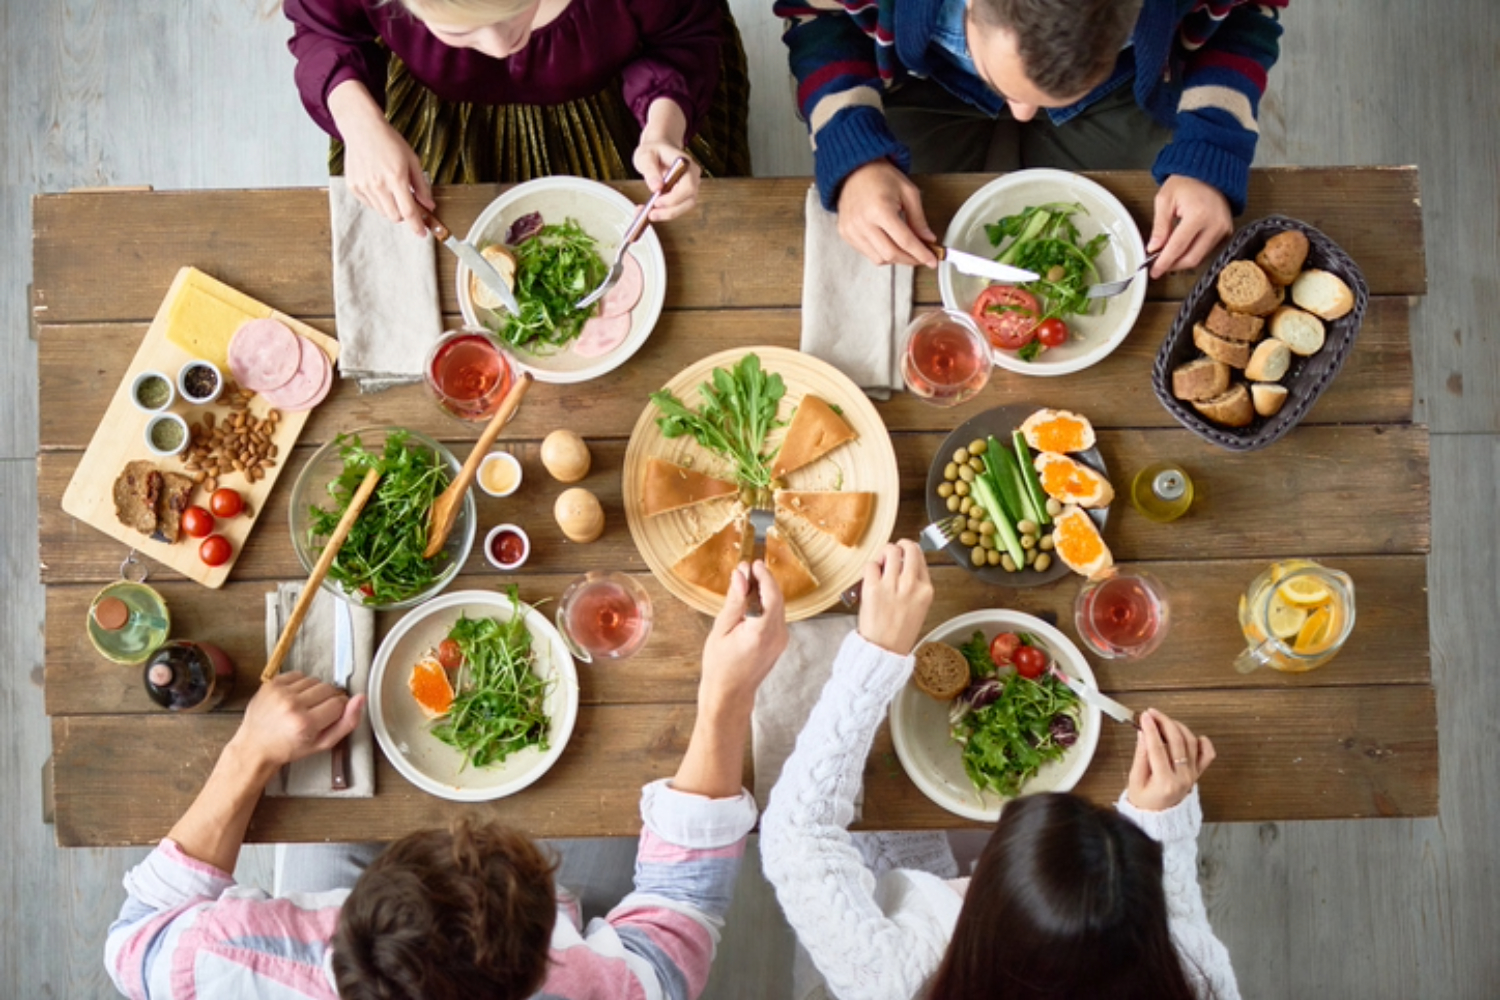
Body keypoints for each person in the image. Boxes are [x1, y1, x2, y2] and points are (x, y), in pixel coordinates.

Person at [105, 563, 789, 1000]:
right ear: (538, 970)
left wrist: (249, 754)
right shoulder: (611, 989)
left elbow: (132, 939)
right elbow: (681, 905)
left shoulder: (225, 960)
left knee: (322, 815)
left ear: (342, 925)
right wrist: (725, 699)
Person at [760, 540, 1240, 1000]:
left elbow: (795, 836)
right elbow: (1179, 924)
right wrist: (1161, 827)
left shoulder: (890, 981)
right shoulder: (1197, 978)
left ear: (980, 898)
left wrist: (874, 656)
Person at [776, 0, 1286, 278]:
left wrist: (1211, 150)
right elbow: (816, 15)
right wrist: (855, 154)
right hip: (910, 75)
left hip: (1127, 85)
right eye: (1007, 87)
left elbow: (1247, 16)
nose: (1023, 115)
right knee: (893, 251)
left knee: (1141, 229)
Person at [284, 0, 753, 234]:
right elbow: (325, 31)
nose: (502, 47)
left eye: (519, 9)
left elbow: (681, 39)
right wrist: (362, 126)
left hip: (623, 106)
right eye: (459, 29)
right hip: (442, 115)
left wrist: (663, 128)